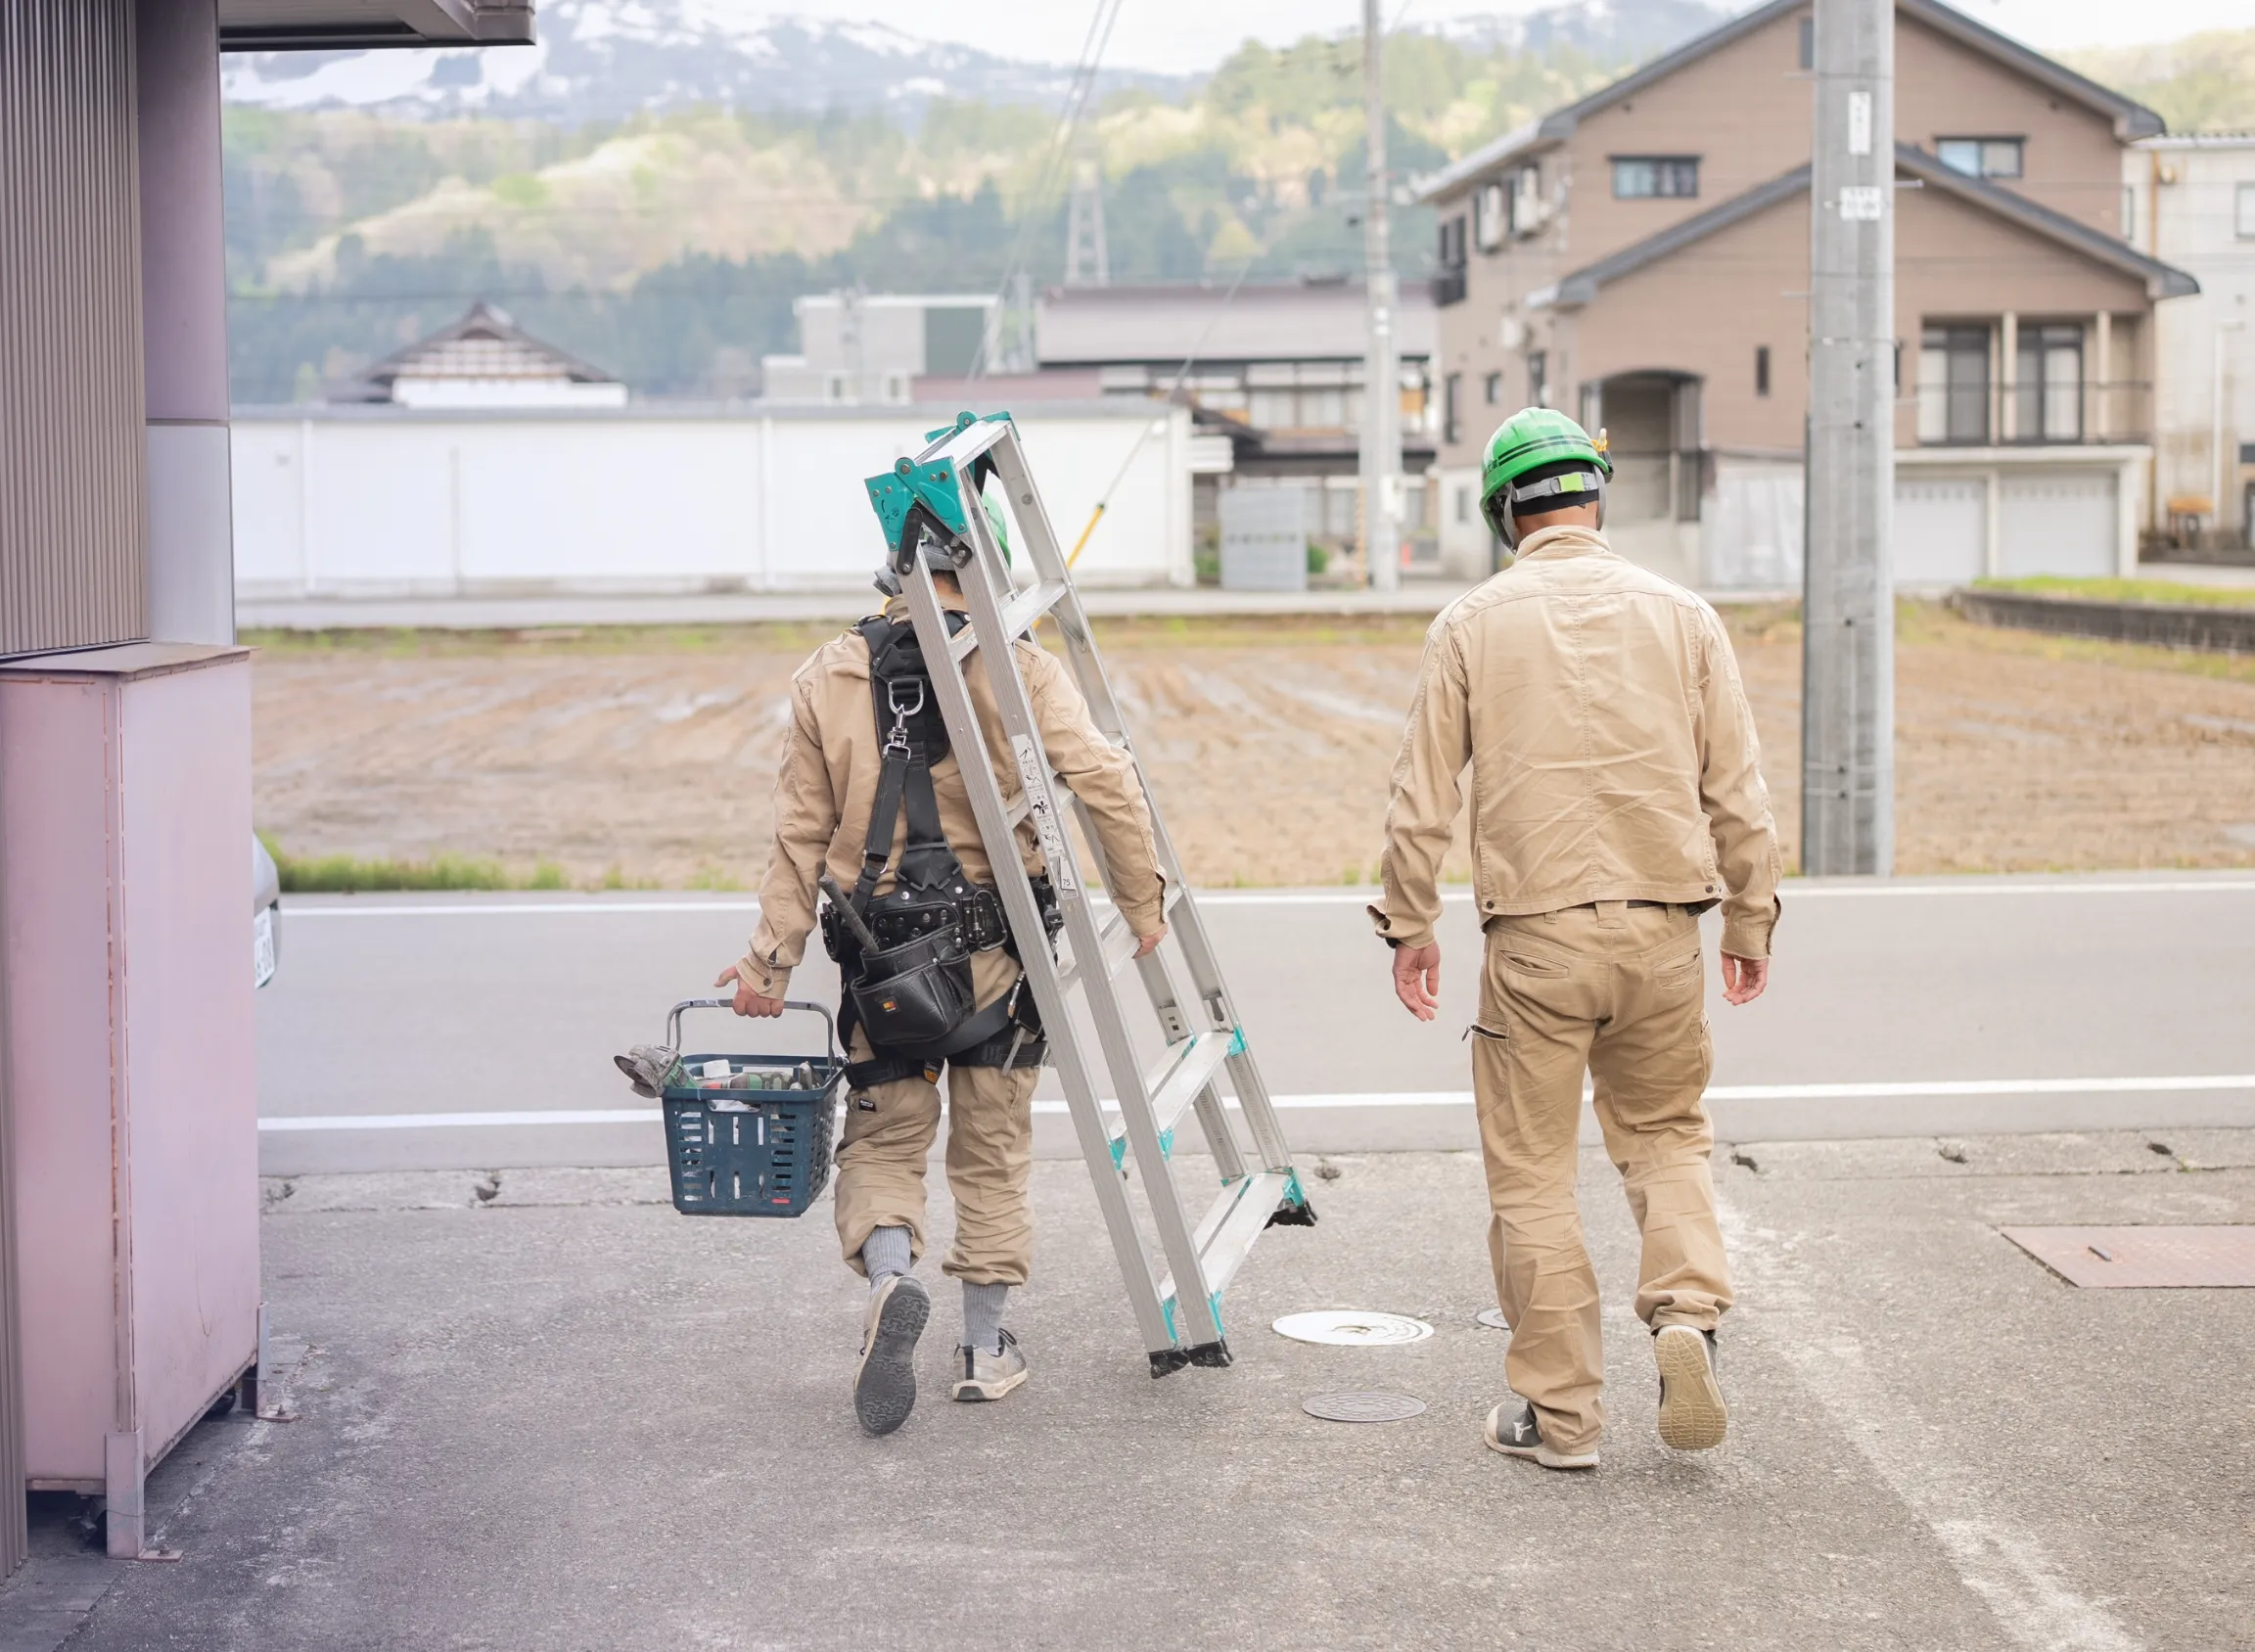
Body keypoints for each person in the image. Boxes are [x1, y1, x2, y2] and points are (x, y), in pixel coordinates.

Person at [1370, 407, 1781, 1471]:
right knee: (1665, 1136)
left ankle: (1560, 1419)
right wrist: (1749, 916)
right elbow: (1738, 789)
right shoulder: (1685, 615)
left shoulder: (1469, 623)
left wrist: (1410, 922)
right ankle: (1687, 1315)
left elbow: (1420, 799)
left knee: (1533, 1179)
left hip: (1536, 941)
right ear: (1600, 492)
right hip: (1662, 932)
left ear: (1504, 510)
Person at [716, 506, 1167, 1438]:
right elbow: (1108, 783)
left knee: (883, 1144)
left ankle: (891, 1282)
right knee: (992, 1152)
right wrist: (1144, 901)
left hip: (882, 967)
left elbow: (799, 834)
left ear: (893, 569)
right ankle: (984, 1350)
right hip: (1000, 959)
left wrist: (769, 961)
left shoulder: (830, 673)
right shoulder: (1022, 671)